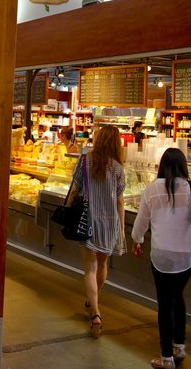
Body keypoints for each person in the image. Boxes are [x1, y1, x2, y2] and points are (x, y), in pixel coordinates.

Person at [132, 148, 191, 369]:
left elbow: (141, 222)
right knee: (178, 296)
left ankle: (166, 358)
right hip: (187, 255)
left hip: (161, 255)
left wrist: (137, 239)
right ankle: (180, 346)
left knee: (164, 304)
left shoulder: (152, 189)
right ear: (183, 166)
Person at [66, 124, 125, 338]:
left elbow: (74, 189)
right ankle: (93, 301)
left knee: (89, 268)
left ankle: (96, 313)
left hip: (87, 221)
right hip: (109, 222)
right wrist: (122, 228)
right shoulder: (118, 168)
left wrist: (70, 205)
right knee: (102, 264)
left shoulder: (84, 161)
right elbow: (120, 201)